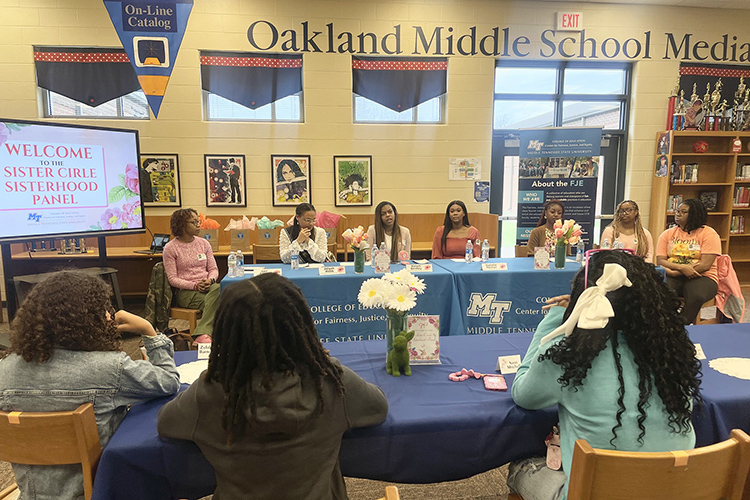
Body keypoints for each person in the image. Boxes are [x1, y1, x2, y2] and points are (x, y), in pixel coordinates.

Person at [157, 273, 389, 499]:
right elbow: (378, 407)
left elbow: (166, 424)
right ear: (301, 328)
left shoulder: (208, 392)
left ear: (227, 333)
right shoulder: (331, 382)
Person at [508, 250, 701, 500]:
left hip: (593, 492)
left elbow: (523, 395)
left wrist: (557, 318)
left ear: (583, 298)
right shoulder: (672, 356)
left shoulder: (566, 356)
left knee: (520, 466)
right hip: (673, 490)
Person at [0, 270, 180, 500]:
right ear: (89, 318)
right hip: (101, 492)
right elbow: (169, 381)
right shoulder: (109, 368)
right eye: (104, 308)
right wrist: (149, 331)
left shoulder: (4, 370)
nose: (108, 315)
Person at [656, 198, 722, 325]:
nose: (678, 214)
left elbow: (705, 265)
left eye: (683, 212)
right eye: (677, 211)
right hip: (672, 273)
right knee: (660, 292)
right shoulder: (667, 234)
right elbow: (661, 260)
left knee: (696, 296)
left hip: (702, 276)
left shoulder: (709, 234)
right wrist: (680, 269)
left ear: (694, 214)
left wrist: (680, 270)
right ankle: (663, 324)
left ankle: (679, 326)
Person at [163, 208, 220, 337]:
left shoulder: (204, 243)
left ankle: (201, 334)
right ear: (182, 225)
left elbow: (213, 269)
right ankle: (212, 335)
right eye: (193, 222)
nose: (198, 225)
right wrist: (194, 285)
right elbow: (172, 279)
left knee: (222, 289)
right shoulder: (171, 248)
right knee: (222, 301)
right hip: (186, 292)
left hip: (210, 287)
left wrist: (210, 280)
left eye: (198, 221)